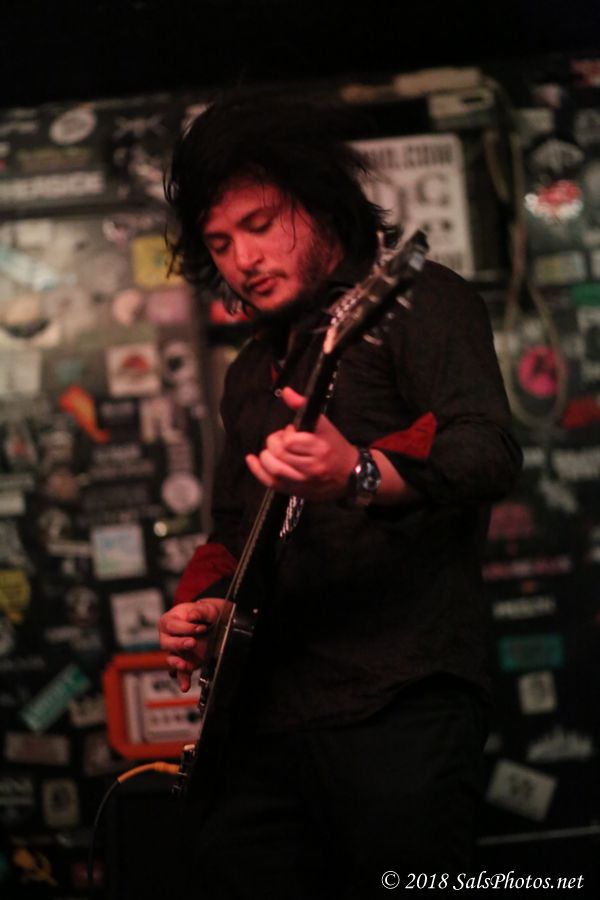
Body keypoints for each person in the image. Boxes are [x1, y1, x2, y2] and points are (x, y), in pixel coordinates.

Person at [159, 88, 522, 899]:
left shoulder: (418, 303)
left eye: (261, 224)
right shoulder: (249, 373)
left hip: (399, 700)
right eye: (220, 243)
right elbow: (233, 528)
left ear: (322, 204)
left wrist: (355, 470)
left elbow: (488, 450)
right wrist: (203, 610)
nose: (243, 259)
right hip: (265, 722)